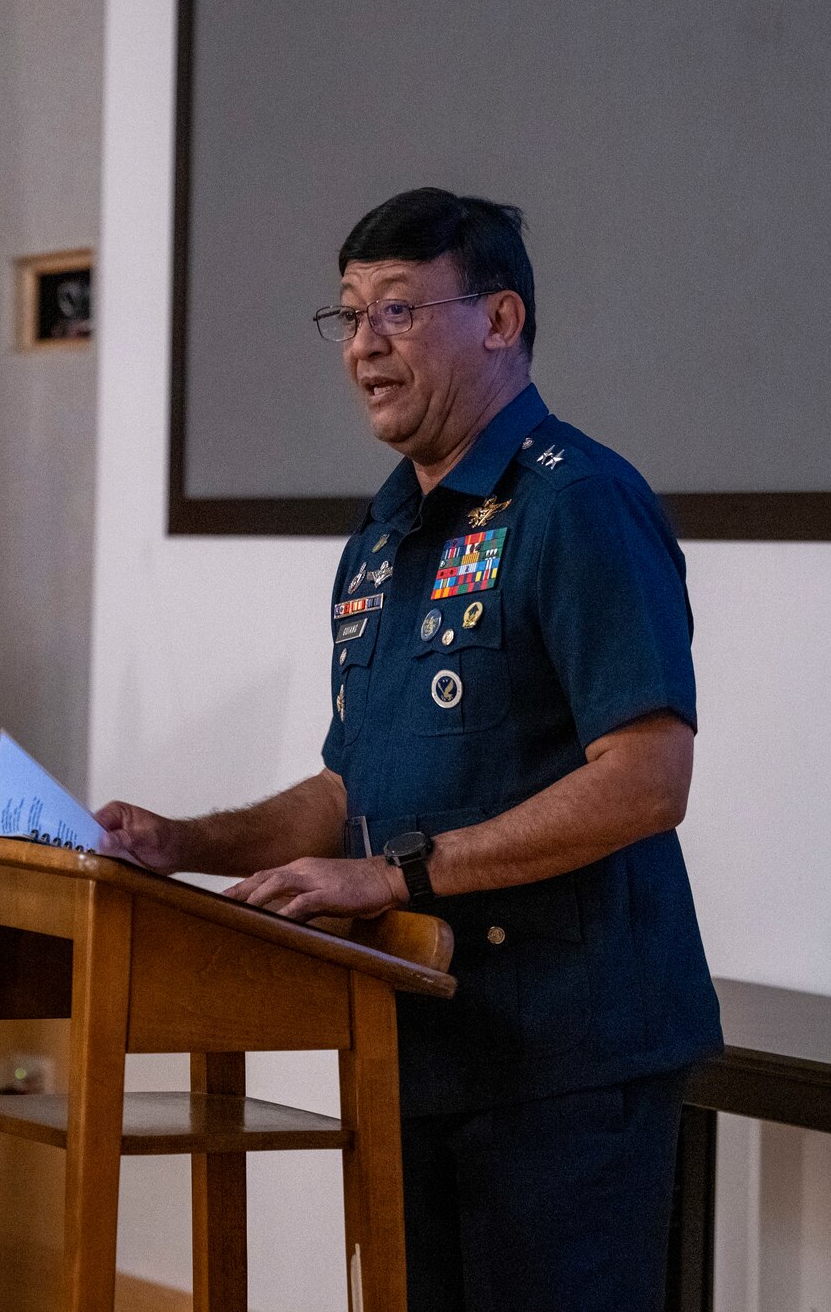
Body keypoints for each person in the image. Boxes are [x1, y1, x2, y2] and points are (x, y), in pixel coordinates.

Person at [97, 189, 721, 1312]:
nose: (364, 347)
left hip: (562, 1064)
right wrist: (182, 841)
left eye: (395, 309)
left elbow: (645, 777)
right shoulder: (380, 542)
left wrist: (397, 875)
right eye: (346, 316)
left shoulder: (577, 506)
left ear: (498, 321)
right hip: (416, 1042)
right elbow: (353, 786)